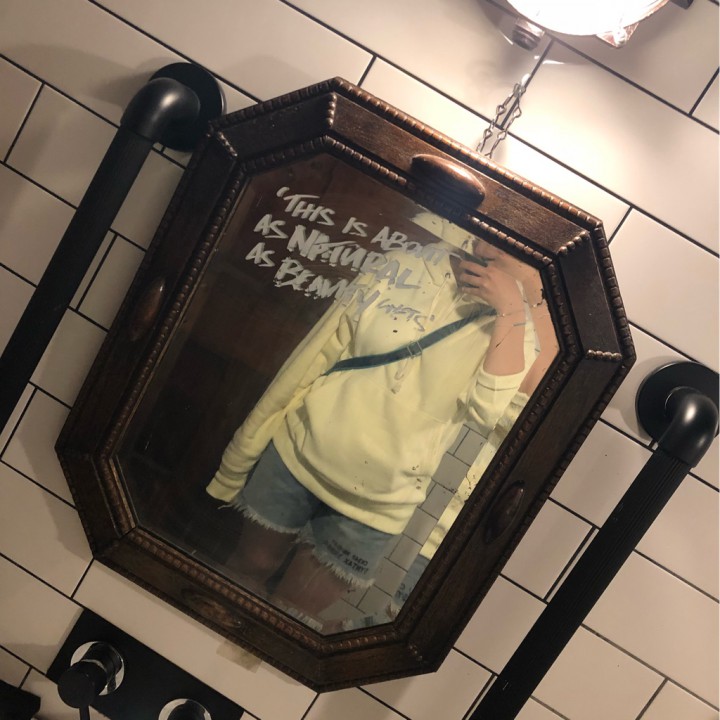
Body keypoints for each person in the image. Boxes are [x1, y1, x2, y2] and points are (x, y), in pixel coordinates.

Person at [206, 212, 537, 629]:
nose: (489, 245)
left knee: (291, 617)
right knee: (244, 572)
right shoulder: (406, 265)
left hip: (377, 502)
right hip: (298, 452)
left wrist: (509, 310)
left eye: (510, 240)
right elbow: (318, 352)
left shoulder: (518, 328)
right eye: (489, 229)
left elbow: (487, 409)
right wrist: (245, 448)